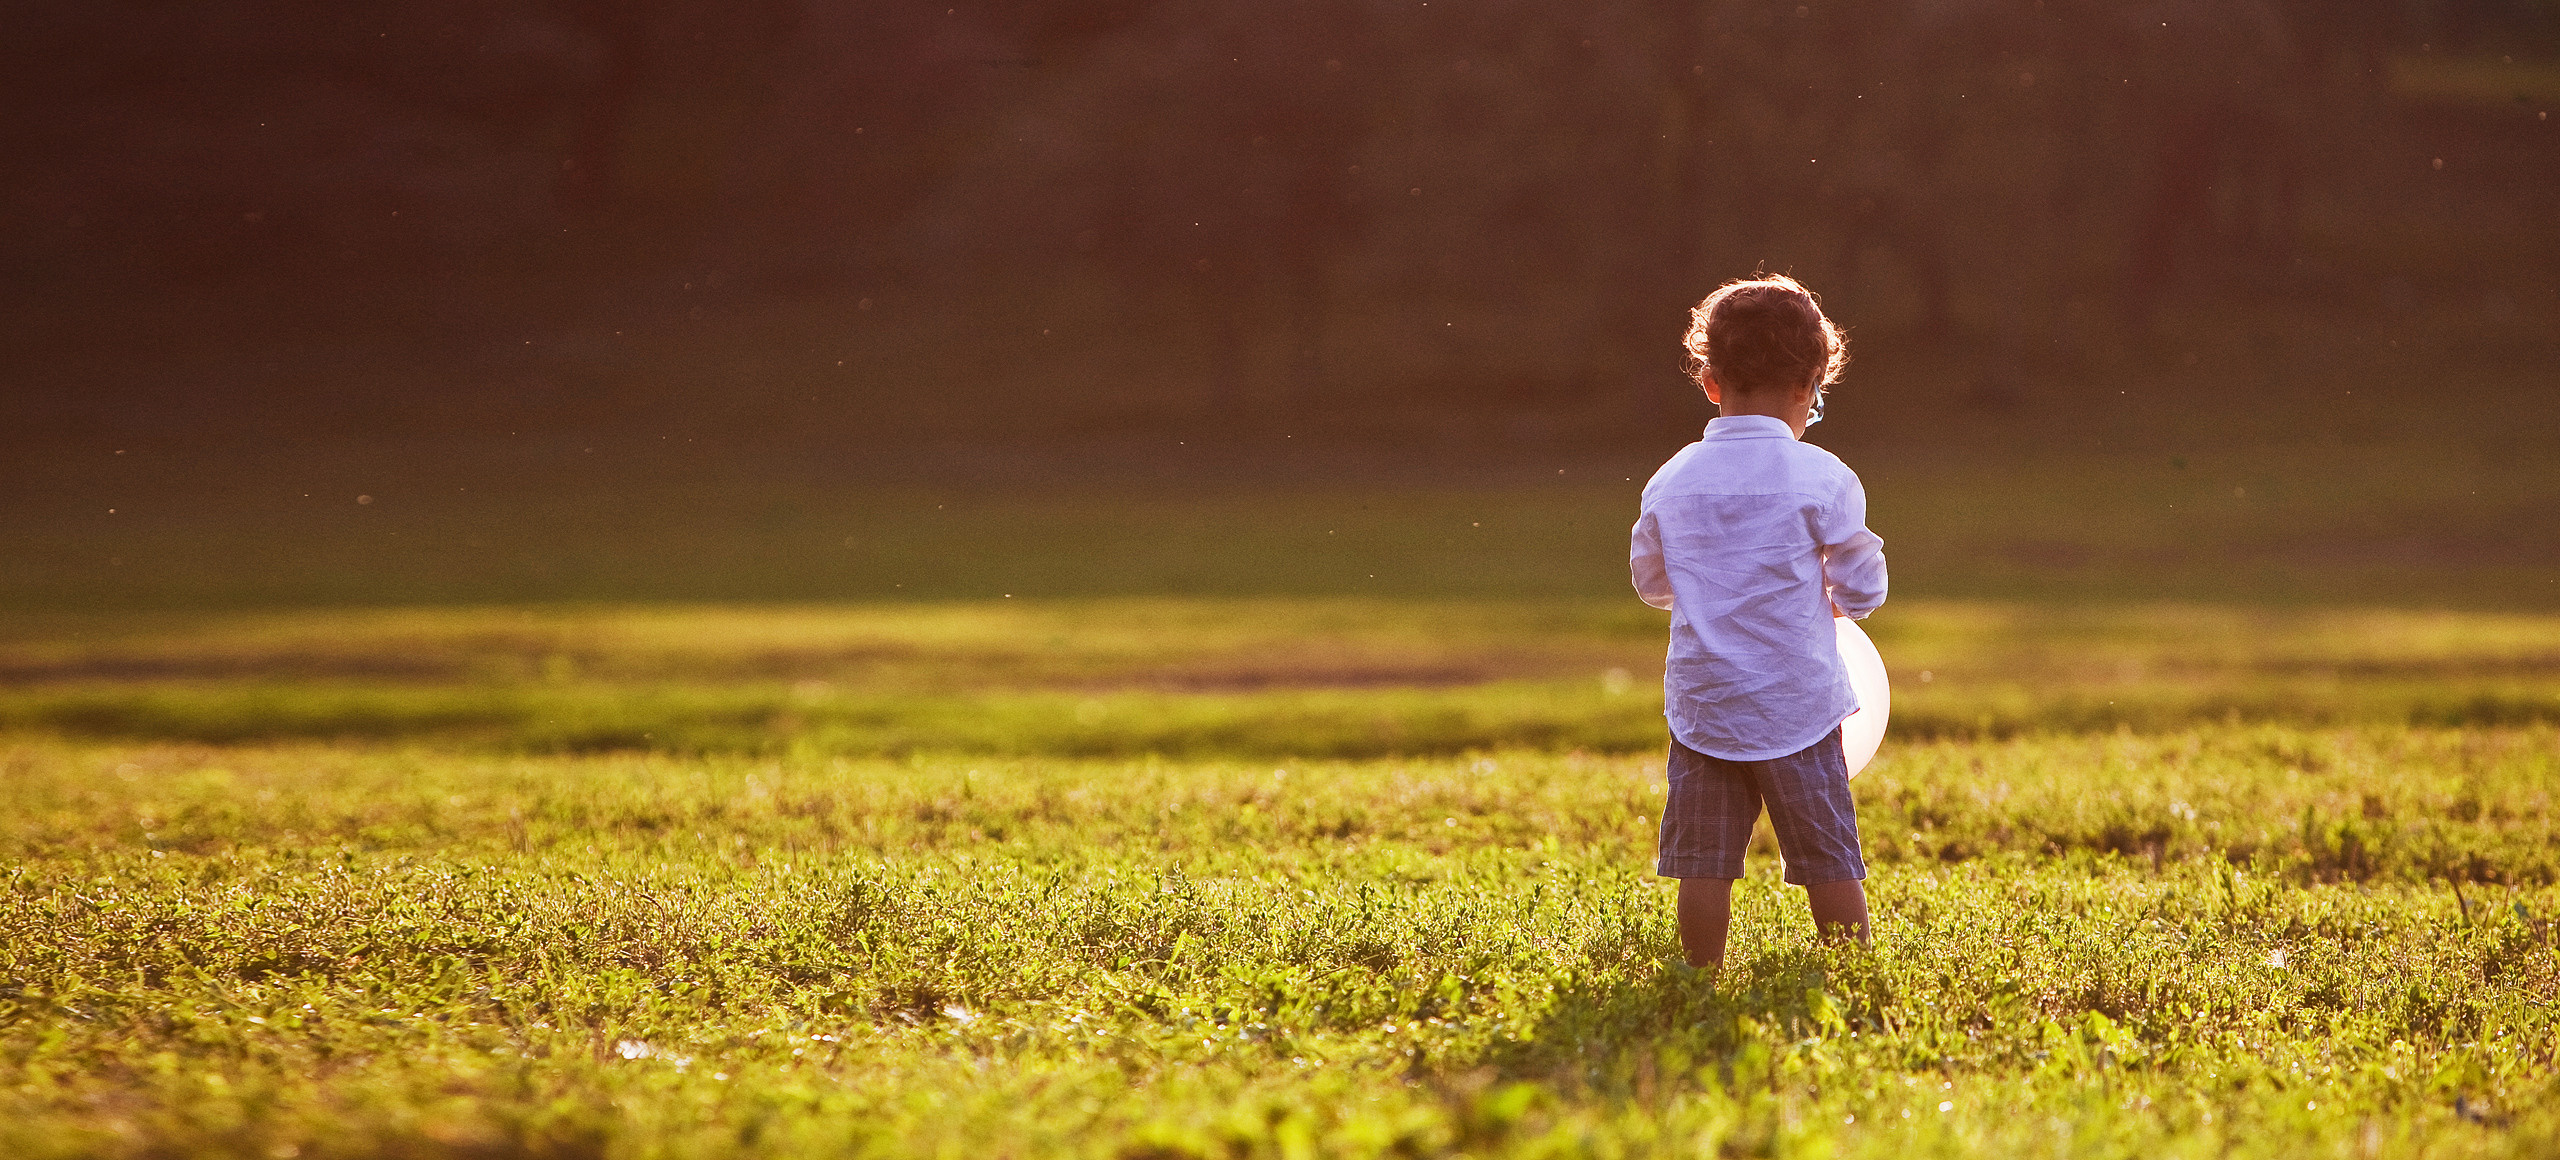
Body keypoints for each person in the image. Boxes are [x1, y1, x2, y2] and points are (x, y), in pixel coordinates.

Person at [1629, 274, 1887, 975]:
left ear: (1711, 381)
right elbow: (1864, 588)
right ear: (1810, 385)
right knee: (1829, 859)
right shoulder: (1824, 477)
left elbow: (1653, 584)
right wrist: (1830, 598)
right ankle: (1849, 974)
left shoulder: (1671, 479)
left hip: (1707, 711)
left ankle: (1699, 979)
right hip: (1799, 707)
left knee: (1703, 868)